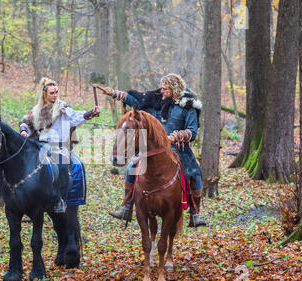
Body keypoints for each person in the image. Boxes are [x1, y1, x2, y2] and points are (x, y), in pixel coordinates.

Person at [97, 73, 206, 228]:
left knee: (194, 173)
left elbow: (192, 131)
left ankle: (195, 214)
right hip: (152, 148)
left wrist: (176, 136)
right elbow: (136, 100)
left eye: (165, 88)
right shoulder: (156, 100)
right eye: (162, 88)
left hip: (177, 147)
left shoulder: (188, 105)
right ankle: (126, 208)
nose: (162, 91)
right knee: (130, 168)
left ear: (174, 89)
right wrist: (115, 93)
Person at [19, 77, 100, 213]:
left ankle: (60, 199)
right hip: (42, 145)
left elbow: (75, 117)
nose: (55, 95)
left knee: (62, 167)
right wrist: (24, 131)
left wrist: (90, 113)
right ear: (45, 94)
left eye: (56, 92)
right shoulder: (37, 109)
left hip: (59, 147)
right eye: (52, 93)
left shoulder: (63, 108)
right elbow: (27, 123)